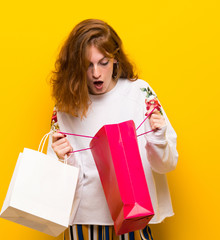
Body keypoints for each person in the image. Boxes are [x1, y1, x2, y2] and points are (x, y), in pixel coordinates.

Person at [46, 19, 178, 240]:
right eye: (88, 65)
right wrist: (62, 159)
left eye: (103, 62)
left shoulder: (140, 94)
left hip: (135, 213)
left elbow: (167, 164)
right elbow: (59, 184)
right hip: (86, 219)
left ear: (115, 58)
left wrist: (159, 138)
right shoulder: (66, 106)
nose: (96, 73)